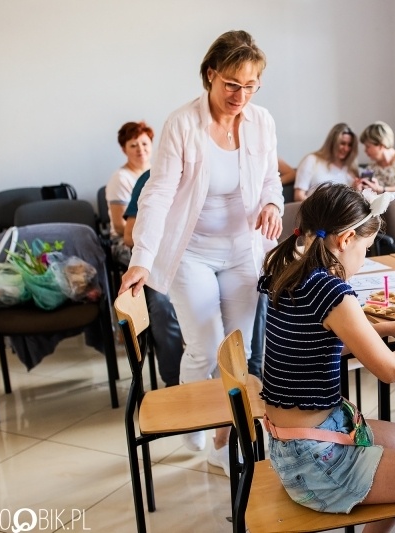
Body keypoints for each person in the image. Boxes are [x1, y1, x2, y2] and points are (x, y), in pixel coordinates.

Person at [258, 183, 395, 532]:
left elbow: (315, 345)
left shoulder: (287, 272)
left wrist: (390, 329)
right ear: (346, 240)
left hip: (296, 444)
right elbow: (391, 370)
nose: (364, 259)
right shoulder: (330, 290)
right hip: (316, 461)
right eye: (366, 249)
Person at [119, 30, 283, 477]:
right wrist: (141, 260)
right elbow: (157, 195)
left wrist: (273, 204)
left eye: (250, 86)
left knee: (240, 349)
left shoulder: (261, 121)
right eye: (232, 84)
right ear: (211, 75)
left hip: (241, 252)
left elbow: (270, 178)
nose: (240, 95)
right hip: (191, 252)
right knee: (205, 348)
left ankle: (222, 440)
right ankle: (195, 422)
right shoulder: (182, 124)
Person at [122, 171, 184, 388]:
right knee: (162, 305)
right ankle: (174, 382)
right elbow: (129, 234)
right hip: (161, 263)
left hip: (205, 261)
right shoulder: (150, 177)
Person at [105, 121, 153, 265]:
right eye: (133, 145)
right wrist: (148, 237)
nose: (140, 149)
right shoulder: (120, 178)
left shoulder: (158, 173)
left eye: (144, 144)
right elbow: (120, 226)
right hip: (124, 240)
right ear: (124, 150)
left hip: (151, 234)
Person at [293, 123, 358, 201]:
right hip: (315, 210)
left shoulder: (352, 168)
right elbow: (298, 196)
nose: (346, 149)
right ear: (332, 142)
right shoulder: (312, 160)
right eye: (342, 143)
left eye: (349, 145)